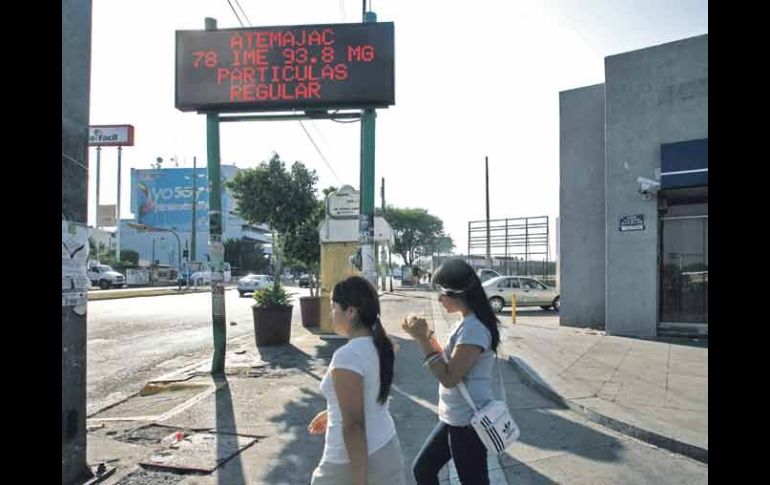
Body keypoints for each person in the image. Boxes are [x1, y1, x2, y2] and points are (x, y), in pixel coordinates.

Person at [402, 258, 501, 485]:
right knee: (423, 470)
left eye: (441, 292)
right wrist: (425, 334)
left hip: (467, 423)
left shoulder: (474, 329)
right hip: (454, 418)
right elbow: (448, 360)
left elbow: (449, 377)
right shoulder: (465, 322)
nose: (439, 299)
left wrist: (422, 340)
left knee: (470, 480)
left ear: (458, 293)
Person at [308, 276, 405, 485]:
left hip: (348, 462)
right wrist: (333, 410)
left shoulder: (348, 355)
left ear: (351, 311)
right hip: (386, 448)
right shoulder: (379, 345)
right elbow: (370, 394)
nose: (331, 314)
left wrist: (359, 480)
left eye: (334, 307)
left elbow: (354, 426)